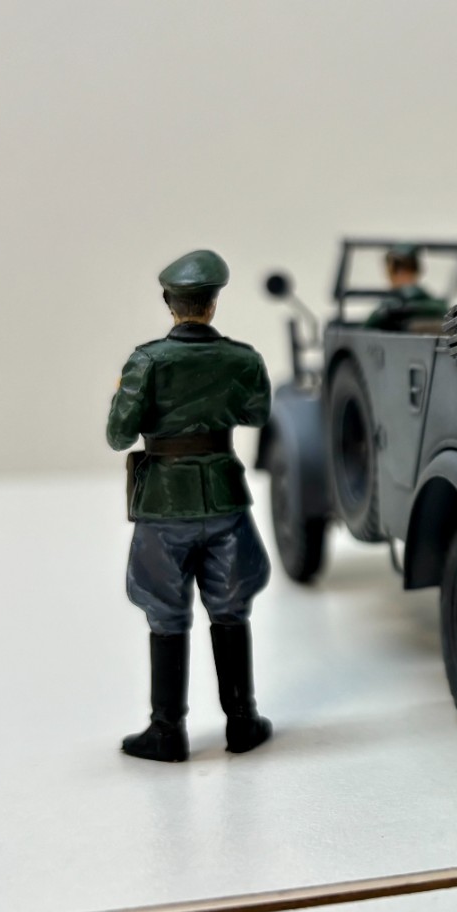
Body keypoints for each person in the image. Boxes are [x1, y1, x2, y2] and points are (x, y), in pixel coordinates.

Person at [107, 249, 273, 762]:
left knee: (165, 612)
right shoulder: (243, 358)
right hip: (223, 496)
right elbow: (258, 413)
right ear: (213, 303)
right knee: (230, 608)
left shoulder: (146, 361)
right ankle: (242, 722)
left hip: (164, 503)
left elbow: (118, 435)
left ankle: (166, 730)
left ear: (169, 302)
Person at [363, 243, 448, 330]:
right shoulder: (389, 305)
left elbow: (367, 329)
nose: (402, 275)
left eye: (406, 269)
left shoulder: (428, 302)